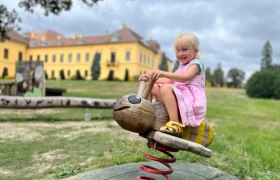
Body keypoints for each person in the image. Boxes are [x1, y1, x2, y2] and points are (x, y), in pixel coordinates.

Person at [139, 33, 206, 136]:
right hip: (180, 96)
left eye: (184, 50)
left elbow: (185, 78)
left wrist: (162, 72)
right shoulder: (181, 67)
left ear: (196, 49)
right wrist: (150, 79)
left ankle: (175, 123)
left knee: (166, 88)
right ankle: (147, 113)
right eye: (177, 51)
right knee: (153, 87)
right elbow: (169, 80)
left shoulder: (196, 64)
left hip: (190, 100)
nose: (180, 54)